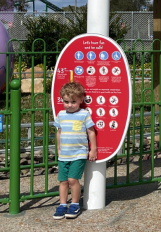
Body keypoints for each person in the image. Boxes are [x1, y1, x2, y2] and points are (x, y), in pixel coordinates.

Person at [53, 81, 97, 220]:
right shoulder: (61, 114)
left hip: (78, 154)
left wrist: (93, 149)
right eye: (66, 102)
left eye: (73, 101)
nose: (69, 105)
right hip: (64, 154)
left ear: (81, 100)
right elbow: (59, 132)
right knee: (63, 181)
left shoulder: (84, 114)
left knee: (73, 179)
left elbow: (91, 132)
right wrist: (58, 148)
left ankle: (75, 204)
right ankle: (62, 204)